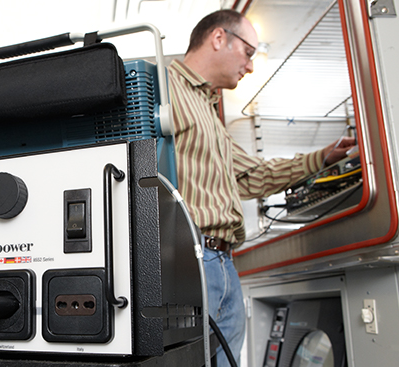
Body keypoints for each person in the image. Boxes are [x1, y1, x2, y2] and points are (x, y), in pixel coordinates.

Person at [167, 9, 356, 366]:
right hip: (190, 262)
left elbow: (253, 176)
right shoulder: (164, 89)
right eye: (249, 53)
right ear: (219, 38)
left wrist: (323, 158)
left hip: (223, 263)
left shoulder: (207, 110)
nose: (250, 66)